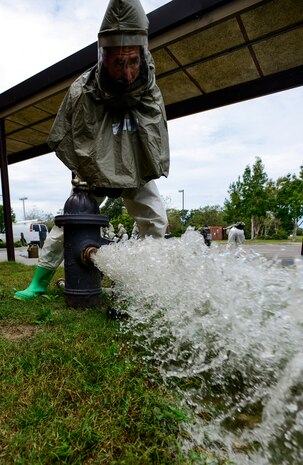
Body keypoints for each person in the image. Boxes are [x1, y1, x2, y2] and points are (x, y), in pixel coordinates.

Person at [14, 0, 169, 301]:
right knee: (69, 222)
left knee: (156, 220)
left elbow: (153, 132)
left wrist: (141, 165)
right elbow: (72, 135)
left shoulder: (149, 88)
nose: (126, 73)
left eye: (133, 62)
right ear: (104, 56)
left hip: (135, 164)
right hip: (94, 166)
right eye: (119, 63)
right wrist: (85, 172)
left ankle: (153, 283)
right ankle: (38, 283)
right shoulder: (82, 90)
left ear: (142, 56)